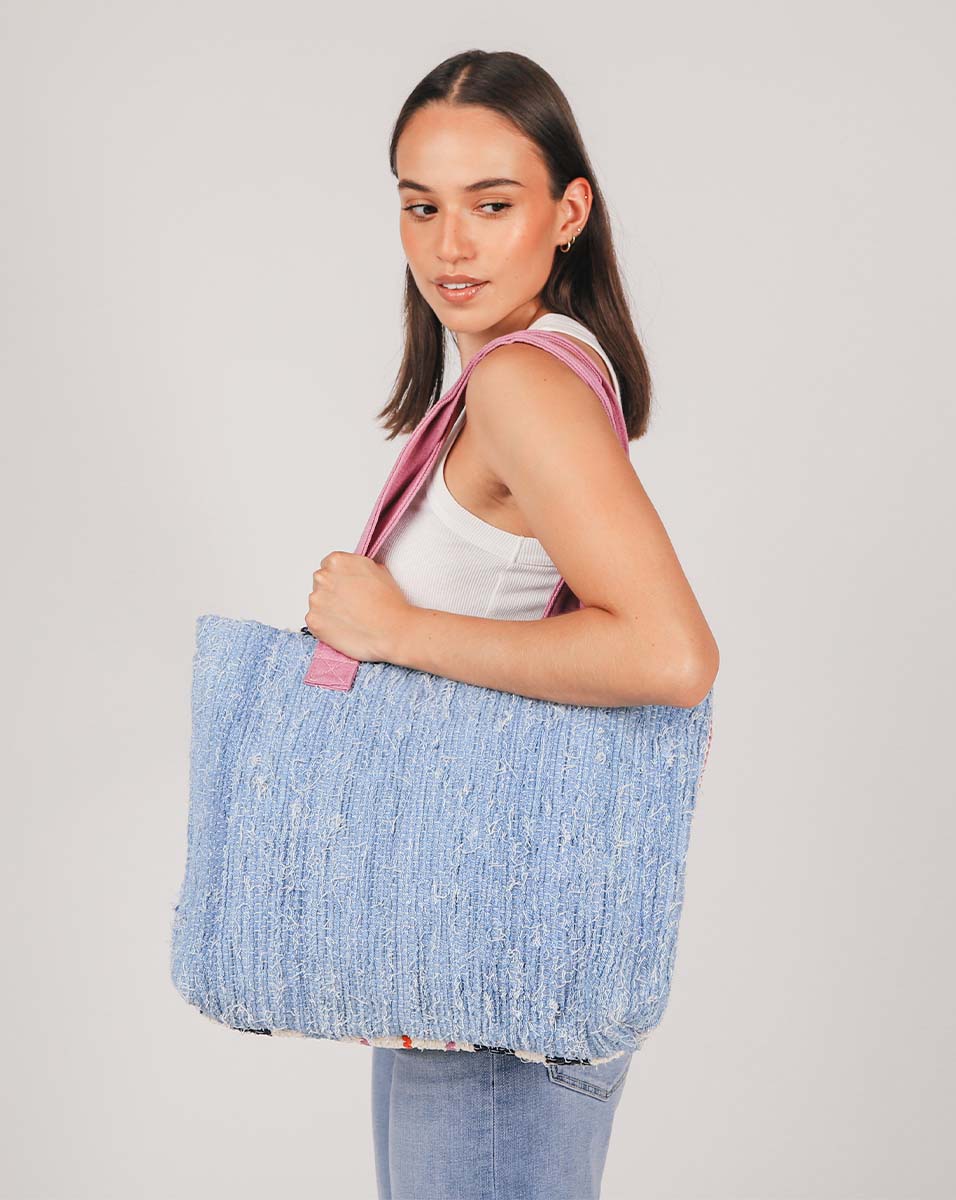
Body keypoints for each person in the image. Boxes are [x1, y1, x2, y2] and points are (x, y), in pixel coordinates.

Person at [300, 49, 719, 1200]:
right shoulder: (522, 376)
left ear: (569, 211)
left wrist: (393, 631)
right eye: (420, 206)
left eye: (493, 205)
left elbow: (669, 655)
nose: (451, 246)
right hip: (458, 956)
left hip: (491, 974)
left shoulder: (521, 386)